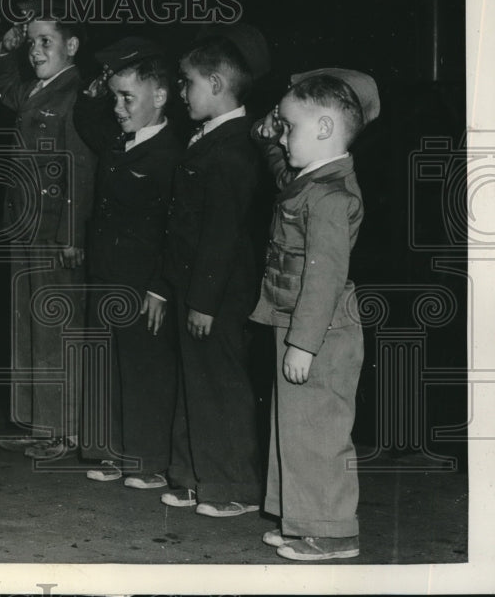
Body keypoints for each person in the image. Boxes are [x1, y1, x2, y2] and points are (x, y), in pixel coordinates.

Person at [250, 68, 379, 561]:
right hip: (300, 321)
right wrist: (268, 135)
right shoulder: (313, 178)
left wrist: (303, 343)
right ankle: (303, 521)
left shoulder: (330, 196)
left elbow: (324, 276)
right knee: (295, 429)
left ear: (324, 129)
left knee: (319, 430)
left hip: (320, 330)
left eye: (289, 127)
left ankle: (334, 532)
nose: (282, 137)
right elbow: (281, 173)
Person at [157, 35, 263, 517]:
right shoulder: (208, 138)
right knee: (193, 381)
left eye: (189, 83)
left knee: (220, 383)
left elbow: (221, 235)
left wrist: (203, 300)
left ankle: (233, 486)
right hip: (193, 286)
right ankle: (193, 477)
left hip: (216, 294)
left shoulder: (235, 147)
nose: (182, 92)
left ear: (217, 84)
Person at [72, 37, 181, 489]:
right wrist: (101, 86)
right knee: (112, 367)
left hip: (141, 282)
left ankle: (149, 461)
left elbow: (174, 229)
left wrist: (159, 285)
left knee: (145, 370)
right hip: (107, 276)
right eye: (114, 96)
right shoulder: (120, 143)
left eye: (127, 97)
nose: (117, 107)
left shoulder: (173, 152)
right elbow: (85, 118)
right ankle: (115, 452)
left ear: (160, 97)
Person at [0, 0, 95, 461]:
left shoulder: (77, 94)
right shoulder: (37, 90)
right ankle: (37, 424)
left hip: (54, 233)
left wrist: (72, 235)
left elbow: (80, 167)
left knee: (55, 329)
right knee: (29, 326)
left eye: (45, 41)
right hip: (24, 227)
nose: (35, 50)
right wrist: (4, 48)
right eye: (31, 41)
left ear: (71, 45)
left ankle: (63, 431)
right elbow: (4, 86)